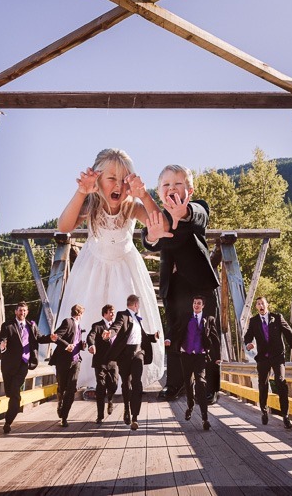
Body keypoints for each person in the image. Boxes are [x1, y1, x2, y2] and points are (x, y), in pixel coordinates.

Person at [56, 148, 164, 390]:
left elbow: (162, 224)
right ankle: (97, 380)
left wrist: (144, 195)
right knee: (94, 319)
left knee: (127, 325)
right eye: (111, 178)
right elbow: (64, 226)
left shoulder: (132, 206)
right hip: (93, 270)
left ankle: (125, 374)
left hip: (126, 269)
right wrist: (81, 191)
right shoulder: (91, 203)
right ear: (98, 180)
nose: (118, 185)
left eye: (124, 180)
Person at [141, 164, 220, 401]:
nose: (172, 188)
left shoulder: (196, 209)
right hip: (173, 287)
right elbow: (149, 239)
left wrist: (183, 214)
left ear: (190, 190)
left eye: (178, 184)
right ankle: (175, 384)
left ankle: (209, 386)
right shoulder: (159, 217)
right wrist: (152, 236)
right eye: (166, 185)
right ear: (159, 192)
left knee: (207, 332)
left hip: (200, 284)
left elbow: (199, 216)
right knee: (174, 336)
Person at [0, 301, 58, 434]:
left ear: (27, 312)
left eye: (24, 310)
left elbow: (39, 338)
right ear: (16, 311)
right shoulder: (7, 325)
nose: (22, 313)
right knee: (11, 393)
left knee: (14, 393)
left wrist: (50, 338)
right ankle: (11, 414)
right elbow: (2, 339)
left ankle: (8, 422)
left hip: (23, 364)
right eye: (20, 310)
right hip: (8, 365)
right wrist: (2, 345)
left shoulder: (31, 325)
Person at [103, 294, 160, 431]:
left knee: (137, 383)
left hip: (138, 353)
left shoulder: (137, 319)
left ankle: (135, 416)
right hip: (125, 355)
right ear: (135, 305)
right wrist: (109, 333)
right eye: (138, 305)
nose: (138, 307)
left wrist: (153, 337)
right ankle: (127, 408)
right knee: (126, 384)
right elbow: (116, 327)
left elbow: (141, 335)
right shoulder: (123, 315)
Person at [244, 295, 292, 429]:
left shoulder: (277, 318)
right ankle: (264, 411)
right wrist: (248, 344)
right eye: (258, 304)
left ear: (267, 305)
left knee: (281, 382)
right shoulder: (254, 321)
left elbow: (289, 334)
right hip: (263, 358)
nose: (261, 306)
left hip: (277, 357)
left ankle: (285, 416)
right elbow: (248, 336)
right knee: (262, 385)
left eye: (262, 303)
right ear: (256, 307)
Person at [167, 295, 221, 431]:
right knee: (188, 383)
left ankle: (205, 418)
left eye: (199, 303)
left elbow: (215, 339)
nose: (196, 305)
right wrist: (168, 338)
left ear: (203, 306)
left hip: (200, 356)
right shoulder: (185, 316)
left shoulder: (209, 320)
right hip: (186, 355)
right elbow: (174, 329)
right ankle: (190, 405)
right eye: (194, 303)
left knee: (201, 383)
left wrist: (218, 356)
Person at [49, 303, 87, 427]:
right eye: (82, 314)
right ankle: (60, 399)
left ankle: (64, 417)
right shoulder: (68, 322)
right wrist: (67, 345)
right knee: (63, 387)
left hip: (76, 360)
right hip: (63, 361)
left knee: (71, 389)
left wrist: (82, 345)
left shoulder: (79, 326)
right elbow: (56, 336)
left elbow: (76, 341)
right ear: (79, 314)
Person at [87, 304, 119, 424]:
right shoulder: (97, 326)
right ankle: (100, 415)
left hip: (113, 362)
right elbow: (91, 336)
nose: (113, 314)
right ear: (105, 313)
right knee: (101, 386)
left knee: (114, 385)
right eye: (111, 312)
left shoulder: (116, 327)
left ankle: (110, 399)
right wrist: (91, 345)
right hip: (100, 362)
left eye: (113, 312)